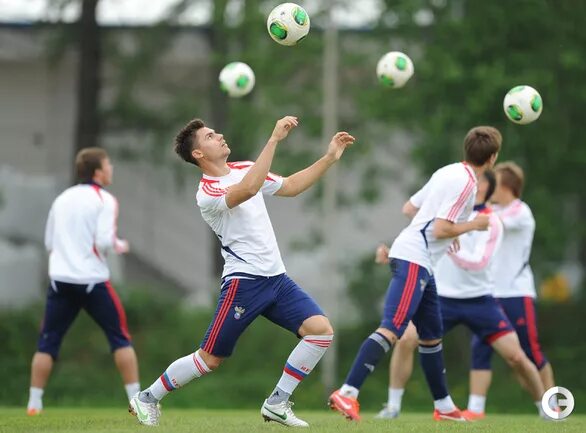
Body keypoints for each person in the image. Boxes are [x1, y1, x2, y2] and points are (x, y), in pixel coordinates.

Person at [128, 116, 355, 427]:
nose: (219, 135)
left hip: (277, 279)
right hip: (244, 283)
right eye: (209, 136)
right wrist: (273, 139)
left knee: (321, 332)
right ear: (198, 154)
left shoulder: (246, 167)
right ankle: (147, 398)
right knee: (210, 359)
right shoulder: (206, 193)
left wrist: (329, 157)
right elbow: (248, 189)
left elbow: (290, 186)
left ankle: (277, 402)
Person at [329, 126, 501, 422]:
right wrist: (470, 226)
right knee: (392, 329)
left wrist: (449, 233)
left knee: (431, 337)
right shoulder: (468, 185)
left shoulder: (447, 171)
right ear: (493, 157)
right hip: (414, 259)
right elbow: (439, 227)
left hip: (420, 260)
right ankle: (347, 393)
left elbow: (411, 208)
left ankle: (445, 408)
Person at [374, 169, 545, 421]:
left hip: (480, 300)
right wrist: (394, 254)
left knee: (516, 356)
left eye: (478, 181)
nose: (471, 184)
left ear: (487, 187)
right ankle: (392, 406)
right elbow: (421, 244)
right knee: (406, 338)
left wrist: (451, 239)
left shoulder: (491, 221)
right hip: (442, 298)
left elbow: (478, 262)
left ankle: (545, 409)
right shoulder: (448, 214)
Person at [26, 148, 139, 415]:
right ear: (98, 172)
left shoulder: (62, 198)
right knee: (120, 338)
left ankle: (34, 403)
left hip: (60, 281)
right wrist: (121, 245)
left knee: (48, 342)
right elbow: (103, 241)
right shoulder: (105, 200)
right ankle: (137, 400)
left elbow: (49, 242)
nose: (111, 169)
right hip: (91, 281)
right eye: (108, 165)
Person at [467, 161, 556, 418]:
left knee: (529, 352)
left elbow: (492, 222)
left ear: (506, 186)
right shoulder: (490, 211)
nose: (489, 187)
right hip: (489, 293)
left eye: (493, 182)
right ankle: (475, 409)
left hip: (517, 293)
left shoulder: (520, 212)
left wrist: (474, 212)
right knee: (481, 346)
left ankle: (551, 405)